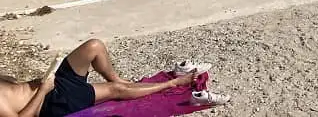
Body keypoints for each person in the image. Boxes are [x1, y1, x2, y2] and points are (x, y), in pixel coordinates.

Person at [0, 38, 228, 117]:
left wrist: (45, 81)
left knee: (94, 46)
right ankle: (173, 82)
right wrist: (43, 90)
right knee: (113, 92)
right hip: (52, 102)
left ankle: (118, 80)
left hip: (51, 85)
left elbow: (14, 88)